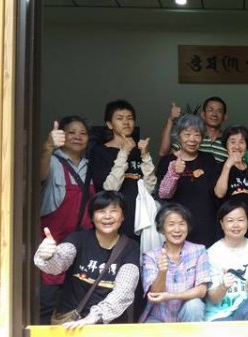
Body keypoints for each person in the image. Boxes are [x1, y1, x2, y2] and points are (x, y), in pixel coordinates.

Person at [33, 191, 140, 328]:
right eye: (101, 211)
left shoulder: (131, 248)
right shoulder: (79, 239)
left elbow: (124, 290)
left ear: (123, 216)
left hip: (107, 325)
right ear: (92, 217)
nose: (107, 216)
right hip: (71, 322)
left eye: (113, 211)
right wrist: (48, 256)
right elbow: (60, 261)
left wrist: (95, 316)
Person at [39, 116, 96, 324]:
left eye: (83, 133)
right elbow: (38, 173)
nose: (77, 137)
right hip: (53, 240)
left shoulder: (92, 165)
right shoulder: (52, 160)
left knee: (79, 302)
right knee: (48, 299)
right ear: (62, 135)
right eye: (72, 132)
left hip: (82, 243)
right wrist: (47, 146)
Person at [90, 99, 157, 241]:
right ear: (109, 124)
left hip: (141, 220)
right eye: (120, 118)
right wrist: (124, 152)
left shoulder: (139, 152)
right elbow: (109, 188)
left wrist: (145, 155)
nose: (126, 122)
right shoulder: (100, 151)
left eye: (130, 118)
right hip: (114, 221)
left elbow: (150, 188)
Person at [139, 203, 210, 323]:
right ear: (162, 229)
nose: (177, 229)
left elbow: (202, 290)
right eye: (171, 224)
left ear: (188, 226)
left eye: (182, 224)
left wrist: (172, 296)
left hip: (189, 314)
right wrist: (162, 272)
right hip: (159, 317)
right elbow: (154, 294)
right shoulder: (150, 256)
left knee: (194, 305)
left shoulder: (199, 251)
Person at [156, 114, 220, 248]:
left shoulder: (209, 160)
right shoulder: (168, 161)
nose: (192, 139)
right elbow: (164, 194)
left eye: (197, 135)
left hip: (205, 225)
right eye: (187, 134)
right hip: (176, 227)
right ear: (178, 136)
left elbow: (217, 194)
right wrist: (173, 173)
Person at [205, 200, 248, 321]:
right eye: (230, 221)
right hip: (219, 316)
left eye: (240, 220)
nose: (236, 225)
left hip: (244, 312)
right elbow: (213, 298)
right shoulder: (211, 253)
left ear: (247, 222)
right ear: (222, 224)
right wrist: (223, 287)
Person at [214, 125, 248, 247]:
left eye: (241, 142)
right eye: (232, 142)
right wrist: (228, 166)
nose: (237, 146)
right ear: (226, 145)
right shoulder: (220, 168)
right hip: (232, 231)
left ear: (247, 146)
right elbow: (219, 193)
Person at [158, 97, 228, 162]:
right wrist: (170, 120)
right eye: (210, 110)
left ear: (224, 117)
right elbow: (163, 153)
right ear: (203, 115)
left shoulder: (229, 141)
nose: (214, 114)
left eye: (219, 111)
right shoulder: (192, 138)